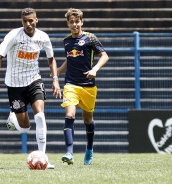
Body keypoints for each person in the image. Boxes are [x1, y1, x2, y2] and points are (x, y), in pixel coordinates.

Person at [0, 8, 61, 169]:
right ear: (22, 22)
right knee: (25, 127)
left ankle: (44, 159)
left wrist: (55, 80)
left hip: (34, 80)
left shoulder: (43, 37)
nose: (28, 24)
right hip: (14, 84)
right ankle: (13, 118)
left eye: (31, 20)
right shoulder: (14, 35)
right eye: (25, 21)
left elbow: (51, 59)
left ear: (36, 20)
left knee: (40, 116)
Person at [57, 8, 109, 165]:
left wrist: (95, 69)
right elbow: (70, 59)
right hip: (71, 84)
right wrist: (58, 71)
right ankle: (69, 152)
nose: (74, 25)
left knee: (88, 120)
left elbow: (105, 56)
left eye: (77, 21)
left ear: (82, 22)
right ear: (68, 23)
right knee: (70, 115)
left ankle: (89, 149)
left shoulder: (90, 38)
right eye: (71, 22)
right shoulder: (66, 41)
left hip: (88, 86)